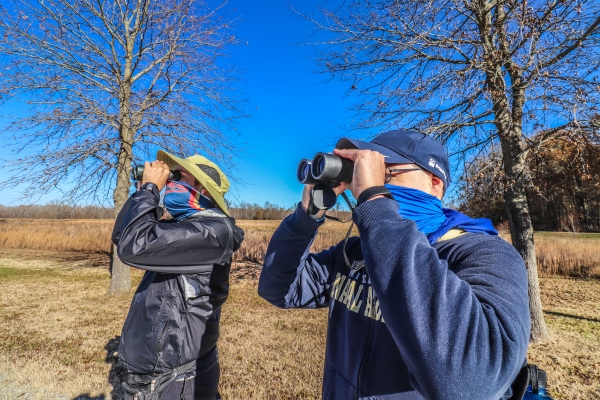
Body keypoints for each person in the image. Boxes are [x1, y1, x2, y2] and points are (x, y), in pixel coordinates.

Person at [258, 130, 531, 400]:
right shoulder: (355, 253)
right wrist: (306, 217)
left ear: (434, 183)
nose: (364, 184)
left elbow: (471, 384)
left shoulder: (486, 255)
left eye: (385, 173)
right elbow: (280, 288)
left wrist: (376, 202)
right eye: (362, 173)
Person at [112, 151, 244, 400]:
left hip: (176, 379)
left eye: (177, 177)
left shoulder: (214, 232)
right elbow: (122, 238)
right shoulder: (183, 226)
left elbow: (134, 246)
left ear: (203, 190)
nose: (170, 184)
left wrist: (151, 189)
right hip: (158, 373)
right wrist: (141, 192)